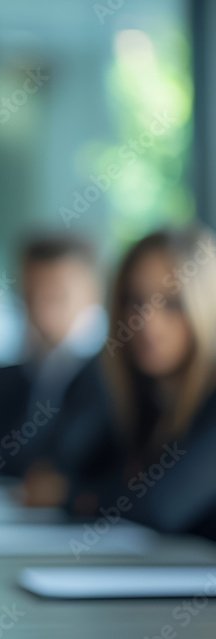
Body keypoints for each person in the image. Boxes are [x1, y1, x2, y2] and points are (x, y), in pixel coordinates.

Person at [30, 224, 216, 540]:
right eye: (135, 300)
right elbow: (62, 466)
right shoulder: (144, 395)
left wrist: (71, 496)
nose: (146, 322)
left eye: (172, 304)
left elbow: (159, 508)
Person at [0, 233, 107, 480]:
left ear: (92, 294)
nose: (40, 309)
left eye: (57, 296)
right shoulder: (1, 380)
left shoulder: (111, 378)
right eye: (30, 294)